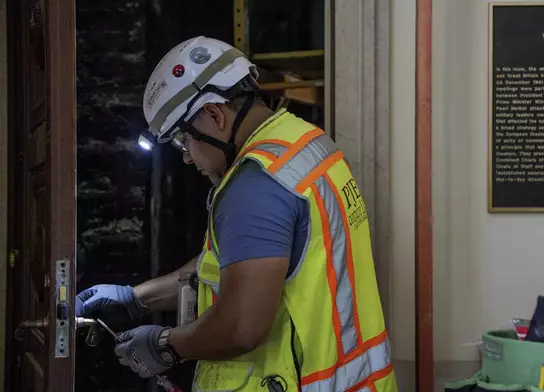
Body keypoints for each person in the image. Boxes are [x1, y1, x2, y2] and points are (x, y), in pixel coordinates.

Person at [75, 36, 397, 391]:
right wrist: (136, 300)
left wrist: (166, 345)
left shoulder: (255, 184)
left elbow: (242, 326)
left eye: (185, 140)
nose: (185, 157)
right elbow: (235, 262)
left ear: (214, 114)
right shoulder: (303, 142)